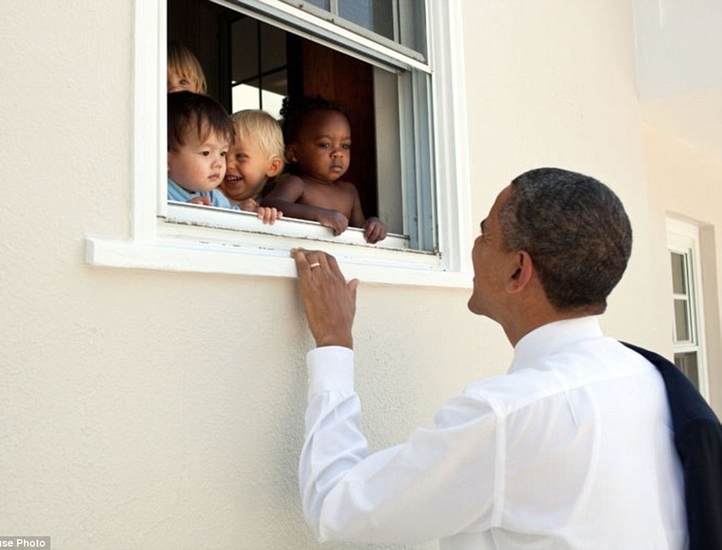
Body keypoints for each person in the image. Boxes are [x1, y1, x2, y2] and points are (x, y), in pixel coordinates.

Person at [290, 168, 688, 548]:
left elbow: (335, 505)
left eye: (484, 236)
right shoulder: (649, 377)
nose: (474, 249)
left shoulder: (507, 416)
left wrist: (333, 340)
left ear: (518, 271)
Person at [262, 96, 387, 244]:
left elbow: (360, 231)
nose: (338, 153)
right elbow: (270, 204)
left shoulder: (349, 192)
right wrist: (318, 215)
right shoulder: (297, 183)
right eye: (325, 145)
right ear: (294, 153)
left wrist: (373, 225)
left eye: (345, 146)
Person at [167, 92, 280, 224]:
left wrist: (256, 215)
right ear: (166, 159)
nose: (219, 164)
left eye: (222, 153)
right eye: (205, 153)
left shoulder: (214, 197)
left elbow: (233, 225)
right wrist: (181, 215)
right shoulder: (156, 193)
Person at [219, 109, 285, 214]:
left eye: (240, 156)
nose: (228, 164)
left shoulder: (271, 205)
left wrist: (268, 218)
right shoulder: (204, 195)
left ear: (273, 167)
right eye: (222, 154)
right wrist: (236, 211)